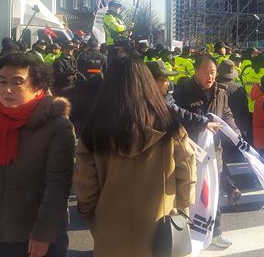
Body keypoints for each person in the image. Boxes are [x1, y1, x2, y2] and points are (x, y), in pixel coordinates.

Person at [74, 54, 196, 257]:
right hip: (161, 230)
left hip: (110, 230)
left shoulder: (94, 129)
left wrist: (90, 213)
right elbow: (187, 170)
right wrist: (182, 210)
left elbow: (85, 184)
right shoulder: (169, 124)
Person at [0, 53, 75, 257]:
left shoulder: (56, 127)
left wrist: (43, 234)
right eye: (2, 82)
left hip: (31, 235)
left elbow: (58, 186)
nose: (7, 89)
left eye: (17, 82)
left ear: (37, 86)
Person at [173, 55, 239, 248]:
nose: (210, 76)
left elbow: (226, 114)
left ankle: (215, 231)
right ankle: (187, 230)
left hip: (213, 151)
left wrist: (235, 133)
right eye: (206, 72)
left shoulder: (221, 92)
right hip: (190, 150)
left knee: (213, 191)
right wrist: (202, 126)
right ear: (196, 72)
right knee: (189, 191)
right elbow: (178, 117)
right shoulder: (184, 91)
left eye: (213, 72)